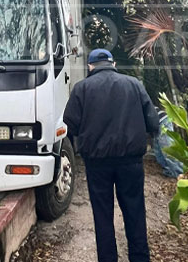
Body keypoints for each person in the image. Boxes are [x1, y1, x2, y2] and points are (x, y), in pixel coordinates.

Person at [64, 48, 160, 262]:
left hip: (97, 164)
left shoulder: (82, 89)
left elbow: (70, 125)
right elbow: (153, 122)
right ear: (113, 63)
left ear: (90, 66)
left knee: (103, 216)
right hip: (131, 162)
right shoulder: (134, 84)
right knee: (135, 212)